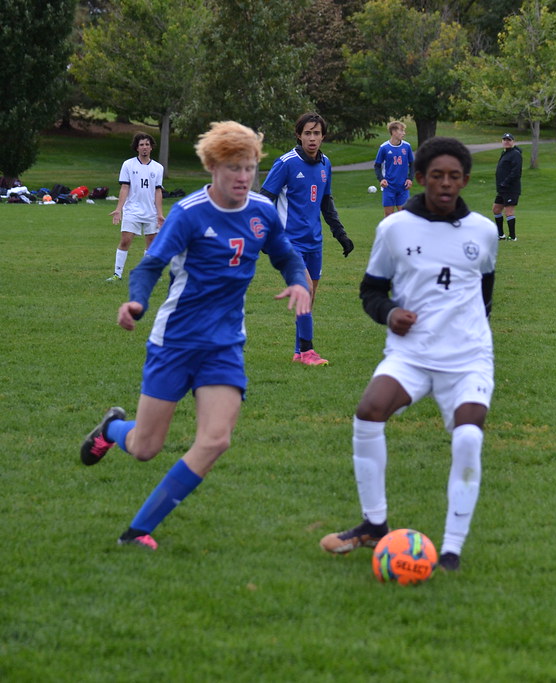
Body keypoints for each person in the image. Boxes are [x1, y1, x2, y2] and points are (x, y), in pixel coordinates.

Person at [78, 121, 312, 550]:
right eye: (234, 168)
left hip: (224, 345)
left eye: (250, 167)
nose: (243, 177)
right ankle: (112, 430)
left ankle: (137, 531)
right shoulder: (189, 214)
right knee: (146, 446)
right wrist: (136, 303)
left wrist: (298, 280)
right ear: (213, 168)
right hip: (176, 341)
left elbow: (287, 256)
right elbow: (150, 265)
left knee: (216, 439)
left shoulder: (260, 211)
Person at [320, 136, 498, 573]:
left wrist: (466, 335)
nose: (445, 184)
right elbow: (371, 291)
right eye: (436, 175)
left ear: (465, 180)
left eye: (454, 176)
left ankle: (452, 550)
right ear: (420, 178)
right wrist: (390, 313)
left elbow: (485, 295)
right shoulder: (394, 228)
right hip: (411, 355)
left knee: (469, 436)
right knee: (368, 412)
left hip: (467, 359)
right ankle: (373, 525)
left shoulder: (483, 230)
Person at [260, 112, 354, 367]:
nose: (312, 138)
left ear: (323, 136)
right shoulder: (286, 163)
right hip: (289, 242)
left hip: (314, 242)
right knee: (306, 291)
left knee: (310, 299)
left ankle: (298, 351)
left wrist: (340, 234)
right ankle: (309, 352)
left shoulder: (325, 164)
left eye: (317, 133)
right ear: (299, 135)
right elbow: (263, 200)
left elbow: (326, 202)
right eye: (307, 133)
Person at [107, 132, 165, 282]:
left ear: (151, 147)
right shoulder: (128, 164)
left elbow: (158, 191)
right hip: (132, 210)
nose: (144, 147)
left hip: (151, 211)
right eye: (141, 145)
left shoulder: (158, 168)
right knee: (126, 240)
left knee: (151, 244)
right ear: (137, 148)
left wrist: (159, 214)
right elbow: (125, 188)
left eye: (147, 144)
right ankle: (117, 274)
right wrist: (118, 209)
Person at [373, 121, 414, 216]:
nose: (404, 133)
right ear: (394, 132)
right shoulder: (384, 148)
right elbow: (377, 166)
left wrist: (410, 179)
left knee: (404, 216)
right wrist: (381, 179)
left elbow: (412, 164)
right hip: (389, 187)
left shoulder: (407, 146)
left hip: (403, 187)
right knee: (389, 217)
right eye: (402, 130)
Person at [493, 132, 523, 241]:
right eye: (504, 140)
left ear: (513, 142)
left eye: (508, 140)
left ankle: (512, 236)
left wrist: (505, 182)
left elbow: (516, 172)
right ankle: (501, 235)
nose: (506, 141)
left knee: (509, 212)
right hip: (502, 189)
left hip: (510, 188)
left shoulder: (515, 154)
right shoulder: (505, 153)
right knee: (496, 209)